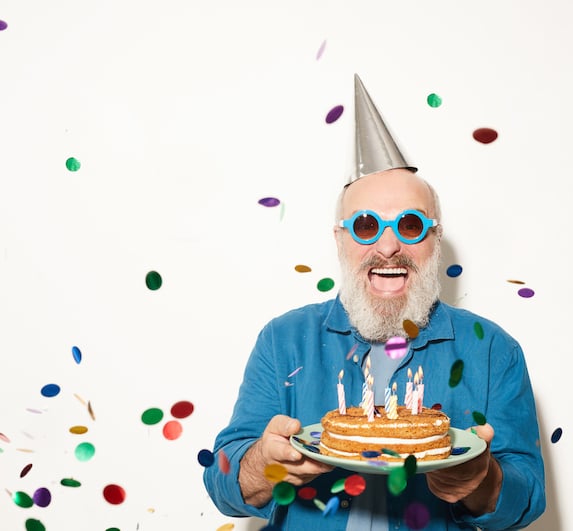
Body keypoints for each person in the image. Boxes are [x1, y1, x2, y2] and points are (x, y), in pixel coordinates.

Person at [203, 74, 546, 530]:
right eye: (366, 226)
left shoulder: (492, 350)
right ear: (341, 241)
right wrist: (264, 464)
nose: (387, 248)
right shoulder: (284, 341)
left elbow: (528, 500)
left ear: (436, 240)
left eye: (410, 225)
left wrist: (482, 481)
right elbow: (225, 485)